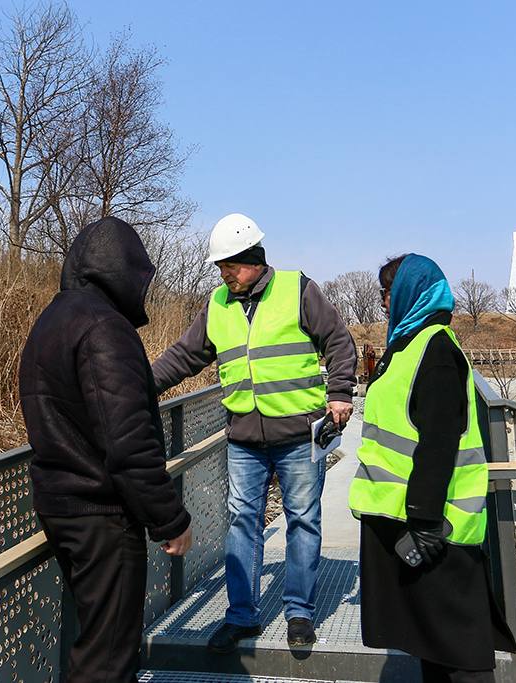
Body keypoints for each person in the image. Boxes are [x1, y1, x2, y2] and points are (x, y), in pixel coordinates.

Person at [152, 213, 357, 651]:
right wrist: (138, 385)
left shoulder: (297, 289)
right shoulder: (217, 304)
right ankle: (242, 616)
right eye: (220, 267)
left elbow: (339, 341)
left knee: (303, 520)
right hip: (244, 438)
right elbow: (184, 357)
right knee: (242, 522)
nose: (224, 274)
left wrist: (340, 392)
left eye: (230, 265)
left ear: (254, 259)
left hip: (299, 434)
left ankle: (299, 613)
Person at [19, 217, 193, 683]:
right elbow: (128, 440)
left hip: (60, 504)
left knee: (97, 645)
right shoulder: (105, 329)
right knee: (109, 659)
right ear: (120, 272)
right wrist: (170, 518)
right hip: (102, 513)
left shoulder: (51, 321)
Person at [348, 253, 516, 683]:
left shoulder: (436, 349)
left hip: (435, 527)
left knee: (460, 653)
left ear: (411, 292)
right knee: (434, 646)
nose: (384, 302)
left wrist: (424, 523)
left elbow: (438, 440)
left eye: (389, 291)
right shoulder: (410, 344)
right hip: (407, 519)